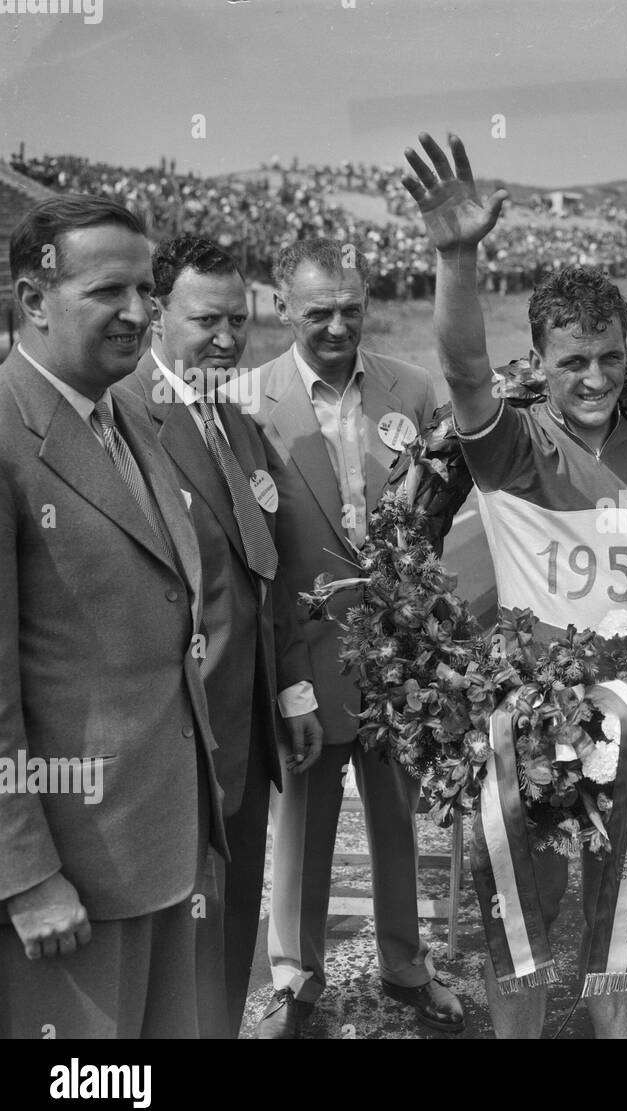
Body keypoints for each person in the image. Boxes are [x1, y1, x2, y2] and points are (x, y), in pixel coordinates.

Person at [403, 131, 627, 1040]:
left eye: (609, 357)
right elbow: (464, 368)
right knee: (514, 894)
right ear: (543, 365)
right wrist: (457, 258)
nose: (594, 377)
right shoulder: (513, 444)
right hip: (529, 709)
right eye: (572, 362)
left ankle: (614, 1030)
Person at [0, 195, 225, 1037]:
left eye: (146, 290)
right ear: (33, 299)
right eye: (108, 292)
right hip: (70, 878)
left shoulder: (126, 410)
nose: (138, 313)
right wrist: (23, 875)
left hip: (165, 844)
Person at [239, 238, 462, 1038]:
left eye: (351, 309)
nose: (337, 326)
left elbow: (438, 514)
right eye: (317, 311)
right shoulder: (243, 400)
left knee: (399, 817)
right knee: (301, 819)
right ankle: (296, 980)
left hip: (398, 653)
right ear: (282, 306)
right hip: (304, 652)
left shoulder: (412, 386)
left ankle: (407, 966)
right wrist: (282, 668)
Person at [117, 234, 325, 1038]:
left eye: (240, 320)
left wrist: (291, 687)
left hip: (241, 728)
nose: (229, 340)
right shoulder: (125, 414)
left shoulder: (234, 422)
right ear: (158, 313)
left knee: (230, 931)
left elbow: (264, 572)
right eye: (208, 321)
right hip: (173, 740)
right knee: (176, 943)